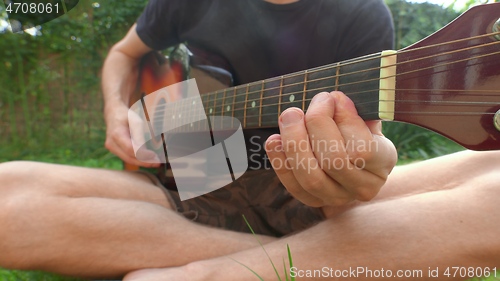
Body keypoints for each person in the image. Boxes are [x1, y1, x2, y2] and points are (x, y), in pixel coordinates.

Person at [0, 1, 498, 281]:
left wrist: (354, 172)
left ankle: (260, 258)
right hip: (192, 181)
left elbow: (363, 142)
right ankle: (310, 254)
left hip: (297, 195)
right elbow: (122, 54)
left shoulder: (360, 13)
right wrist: (116, 109)